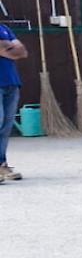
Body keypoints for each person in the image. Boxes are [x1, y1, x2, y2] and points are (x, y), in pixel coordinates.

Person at [0, 22, 29, 183]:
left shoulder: (4, 28)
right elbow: (6, 48)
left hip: (11, 82)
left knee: (5, 127)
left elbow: (22, 51)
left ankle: (1, 164)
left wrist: (7, 48)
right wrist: (9, 47)